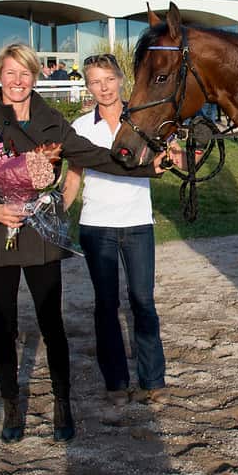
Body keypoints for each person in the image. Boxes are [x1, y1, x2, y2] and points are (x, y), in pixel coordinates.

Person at [0, 43, 166, 444]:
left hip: (40, 240)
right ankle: (12, 405)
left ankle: (62, 404)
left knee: (53, 327)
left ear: (35, 76)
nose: (18, 82)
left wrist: (149, 167)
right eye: (10, 73)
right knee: (4, 328)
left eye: (26, 73)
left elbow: (98, 157)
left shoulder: (53, 123)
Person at [62, 54, 168, 407]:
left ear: (120, 79)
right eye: (95, 81)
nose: (103, 87)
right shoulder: (79, 127)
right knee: (106, 306)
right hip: (97, 226)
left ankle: (152, 380)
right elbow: (74, 175)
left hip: (138, 223)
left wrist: (176, 158)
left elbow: (170, 157)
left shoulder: (142, 120)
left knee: (143, 303)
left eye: (108, 79)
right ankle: (116, 382)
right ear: (88, 86)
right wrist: (57, 211)